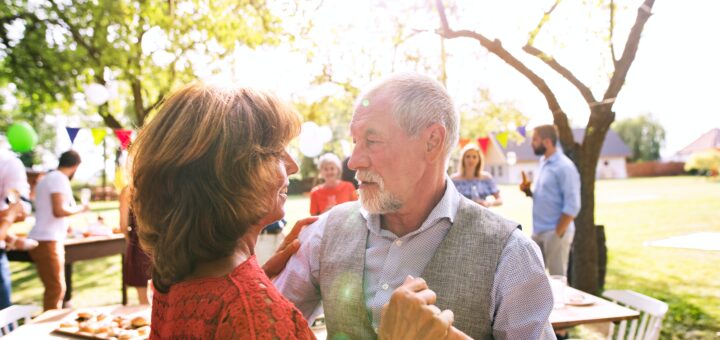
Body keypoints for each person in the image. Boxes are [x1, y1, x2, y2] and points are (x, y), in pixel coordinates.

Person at [130, 83, 461, 339]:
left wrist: (253, 278)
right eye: (276, 152)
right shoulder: (252, 314)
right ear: (230, 175)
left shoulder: (170, 278)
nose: (291, 166)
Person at [276, 73, 555, 339]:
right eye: (354, 141)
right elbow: (265, 329)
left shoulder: (510, 254)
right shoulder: (324, 233)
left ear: (432, 142)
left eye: (372, 141)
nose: (353, 161)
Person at [28, 150, 89, 310]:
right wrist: (81, 208)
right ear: (76, 166)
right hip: (47, 240)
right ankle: (48, 329)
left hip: (45, 237)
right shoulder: (59, 178)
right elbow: (59, 210)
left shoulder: (48, 178)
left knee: (54, 287)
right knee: (56, 289)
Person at [519, 125, 581, 277]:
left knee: (557, 280)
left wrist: (557, 233)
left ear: (547, 142)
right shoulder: (543, 163)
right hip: (538, 232)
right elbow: (548, 196)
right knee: (533, 280)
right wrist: (528, 192)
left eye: (535, 139)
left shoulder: (564, 167)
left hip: (555, 232)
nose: (531, 143)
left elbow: (573, 205)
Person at [0, 143, 34, 309]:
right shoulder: (7, 161)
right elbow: (20, 211)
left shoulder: (7, 161)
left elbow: (21, 209)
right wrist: (10, 216)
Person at [119, 186, 151, 305]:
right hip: (163, 244)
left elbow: (123, 225)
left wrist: (129, 239)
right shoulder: (164, 184)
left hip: (139, 243)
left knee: (144, 300)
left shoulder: (128, 190)